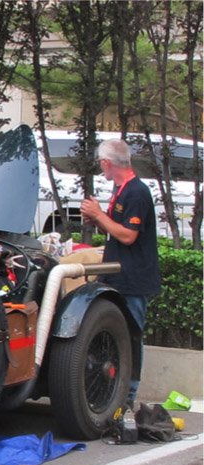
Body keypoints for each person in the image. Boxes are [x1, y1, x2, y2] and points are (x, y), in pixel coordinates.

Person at [80, 138, 161, 408]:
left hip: (132, 279)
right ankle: (111, 390)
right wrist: (99, 219)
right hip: (116, 275)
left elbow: (128, 236)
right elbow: (117, 229)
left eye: (101, 164)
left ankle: (128, 395)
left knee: (132, 335)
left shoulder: (136, 192)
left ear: (107, 163)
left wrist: (100, 216)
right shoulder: (122, 190)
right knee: (115, 334)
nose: (101, 169)